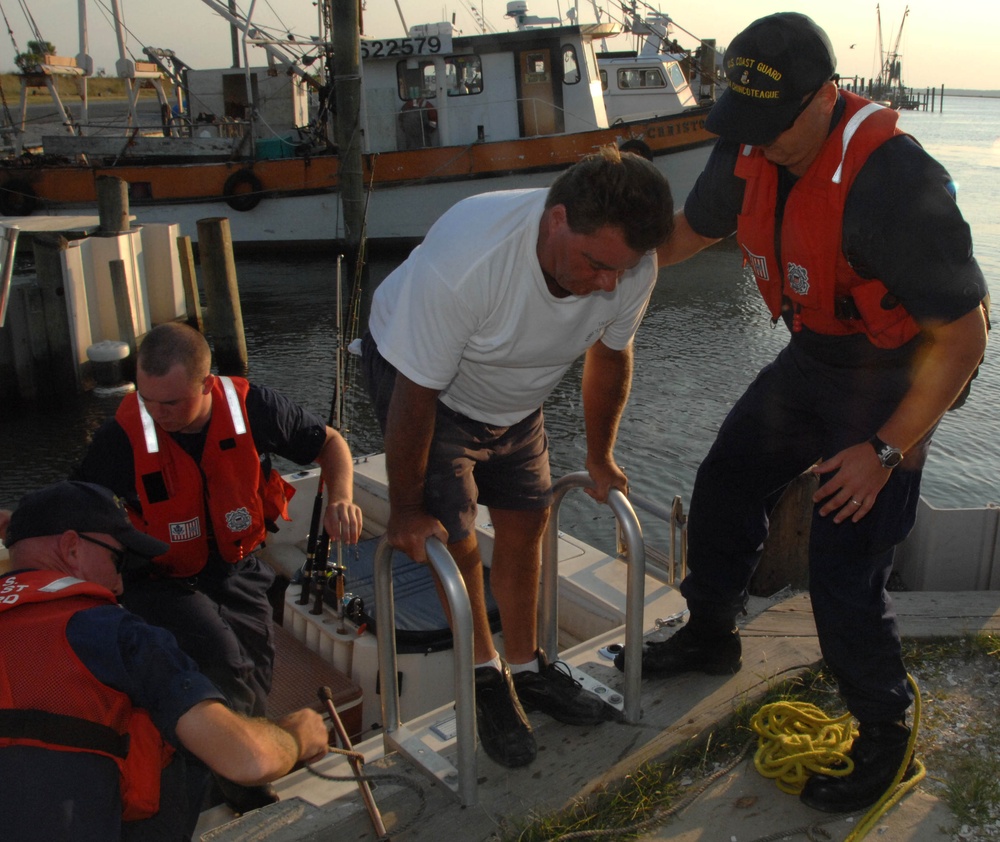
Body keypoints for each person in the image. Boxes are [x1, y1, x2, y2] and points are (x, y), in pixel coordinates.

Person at [615, 12, 989, 814]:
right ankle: (712, 629)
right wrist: (610, 269)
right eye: (743, 126)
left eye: (774, 124)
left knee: (843, 564)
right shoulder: (751, 142)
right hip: (814, 359)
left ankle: (884, 729)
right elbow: (690, 231)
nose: (757, 141)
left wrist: (885, 452)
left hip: (898, 378)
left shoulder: (896, 183)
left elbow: (965, 339)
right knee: (725, 479)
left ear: (824, 99)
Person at [362, 145, 675, 768]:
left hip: (517, 393)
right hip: (425, 383)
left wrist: (601, 455)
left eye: (623, 268)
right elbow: (415, 394)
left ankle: (529, 667)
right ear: (556, 220)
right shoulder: (469, 258)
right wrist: (404, 509)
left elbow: (610, 355)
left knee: (529, 517)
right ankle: (485, 676)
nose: (609, 283)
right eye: (596, 264)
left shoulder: (630, 267)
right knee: (452, 527)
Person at [74, 322, 362, 810]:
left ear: (206, 385)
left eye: (171, 403)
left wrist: (342, 499)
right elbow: (78, 502)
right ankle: (244, 786)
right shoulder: (124, 435)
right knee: (224, 657)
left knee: (256, 670)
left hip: (239, 566)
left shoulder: (252, 407)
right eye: (147, 399)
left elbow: (330, 443)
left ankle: (226, 755)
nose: (157, 414)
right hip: (160, 578)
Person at [0, 480, 330, 842]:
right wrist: (297, 735)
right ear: (72, 547)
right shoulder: (120, 636)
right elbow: (246, 758)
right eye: (117, 560)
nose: (120, 585)